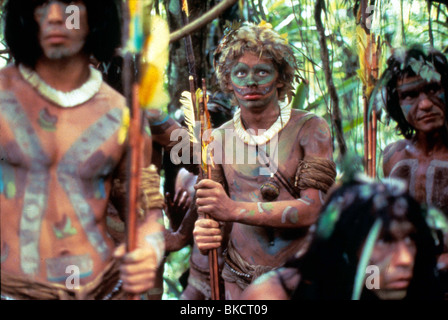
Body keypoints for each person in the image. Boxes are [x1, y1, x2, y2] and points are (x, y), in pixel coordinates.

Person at [0, 0, 165, 300]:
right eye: (39, 5)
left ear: (95, 15)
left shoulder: (124, 118)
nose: (53, 16)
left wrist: (148, 251)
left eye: (69, 6)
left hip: (101, 289)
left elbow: (148, 216)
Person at [192, 22, 336, 300]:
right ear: (228, 80)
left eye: (262, 71)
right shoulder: (216, 140)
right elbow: (213, 214)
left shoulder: (310, 128)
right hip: (239, 276)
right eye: (240, 72)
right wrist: (205, 230)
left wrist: (232, 209)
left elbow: (312, 209)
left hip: (299, 274)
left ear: (281, 78)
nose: (251, 81)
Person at [241, 176, 445, 300]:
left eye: (410, 239)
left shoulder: (402, 283)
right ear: (346, 244)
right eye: (384, 240)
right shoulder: (274, 295)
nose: (405, 259)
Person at [380, 46, 448, 296]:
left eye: (433, 89)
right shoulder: (393, 156)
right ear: (396, 103)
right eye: (410, 95)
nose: (426, 104)